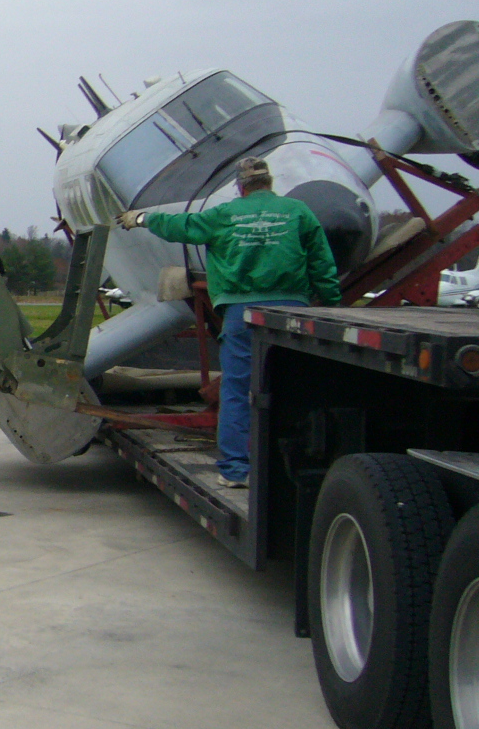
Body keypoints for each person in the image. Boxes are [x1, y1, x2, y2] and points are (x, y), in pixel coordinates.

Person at [115, 157, 341, 488]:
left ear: (240, 186)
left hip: (242, 311)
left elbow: (184, 226)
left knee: (237, 389)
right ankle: (294, 465)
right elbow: (322, 262)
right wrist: (331, 303)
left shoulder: (226, 215)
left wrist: (142, 218)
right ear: (270, 181)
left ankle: (237, 470)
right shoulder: (298, 212)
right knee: (293, 386)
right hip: (293, 308)